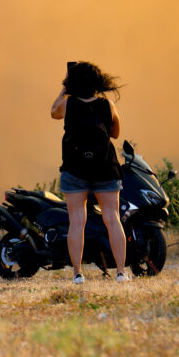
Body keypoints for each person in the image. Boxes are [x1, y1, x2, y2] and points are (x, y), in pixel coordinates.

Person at [50, 61, 126, 284]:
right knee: (112, 218)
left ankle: (77, 274)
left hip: (75, 170)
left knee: (76, 221)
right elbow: (115, 134)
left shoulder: (68, 104)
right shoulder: (108, 105)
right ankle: (121, 272)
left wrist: (65, 87)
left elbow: (53, 112)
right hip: (105, 169)